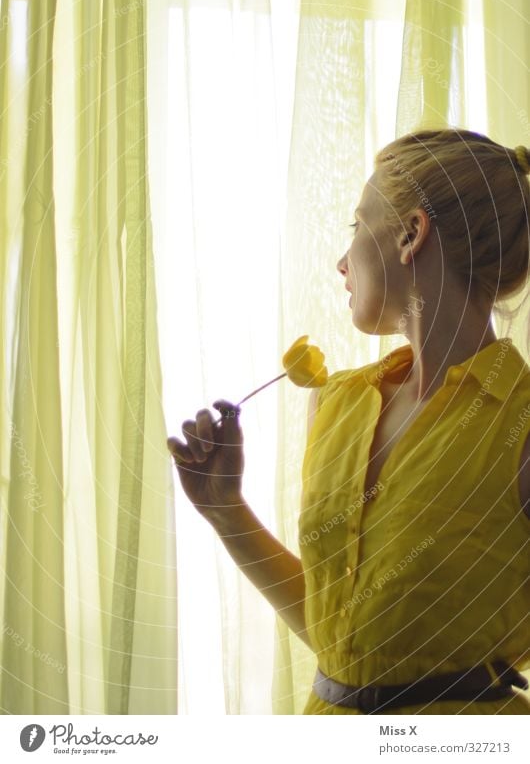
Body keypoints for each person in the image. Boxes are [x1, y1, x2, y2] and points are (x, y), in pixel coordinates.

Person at [167, 128, 530, 715]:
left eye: (357, 227)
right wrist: (225, 509)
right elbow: (345, 646)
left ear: (411, 233)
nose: (342, 261)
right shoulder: (334, 402)